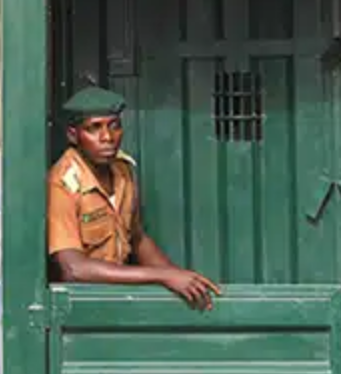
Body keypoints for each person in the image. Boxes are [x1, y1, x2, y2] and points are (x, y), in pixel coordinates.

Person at [46, 84, 222, 310]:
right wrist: (161, 276)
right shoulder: (62, 183)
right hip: (80, 305)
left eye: (114, 126)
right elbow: (74, 269)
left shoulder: (122, 170)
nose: (107, 137)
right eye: (94, 128)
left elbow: (136, 238)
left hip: (119, 297)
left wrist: (178, 277)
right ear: (74, 135)